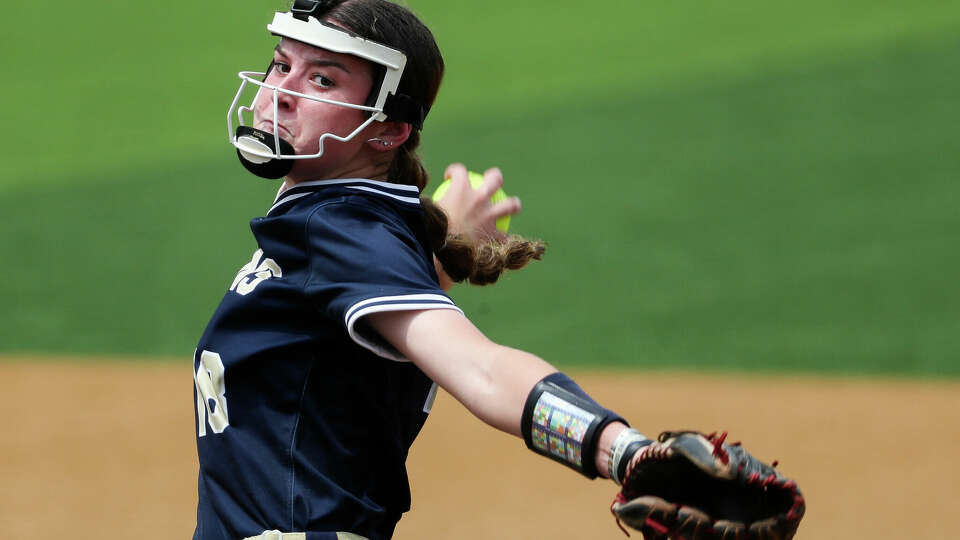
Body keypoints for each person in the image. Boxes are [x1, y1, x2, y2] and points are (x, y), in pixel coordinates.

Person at [194, 1, 651, 539]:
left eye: (321, 78)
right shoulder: (349, 222)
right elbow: (349, 332)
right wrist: (446, 251)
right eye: (280, 64)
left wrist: (622, 451)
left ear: (386, 131)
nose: (282, 93)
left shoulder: (338, 230)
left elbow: (480, 369)